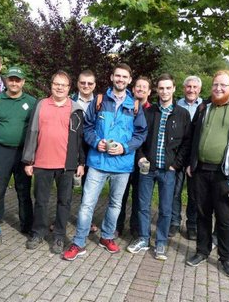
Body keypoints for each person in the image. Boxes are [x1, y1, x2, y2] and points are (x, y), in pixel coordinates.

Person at [63, 63, 147, 260]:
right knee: (87, 204)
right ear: (111, 77)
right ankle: (79, 242)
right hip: (98, 162)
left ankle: (107, 237)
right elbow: (88, 127)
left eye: (124, 77)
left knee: (115, 205)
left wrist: (125, 148)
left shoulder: (134, 105)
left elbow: (141, 133)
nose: (120, 79)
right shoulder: (100, 100)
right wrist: (96, 142)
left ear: (129, 80)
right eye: (117, 76)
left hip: (123, 164)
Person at [184, 70, 229, 278]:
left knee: (224, 219)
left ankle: (226, 259)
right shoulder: (204, 106)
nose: (218, 88)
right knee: (202, 214)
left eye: (223, 85)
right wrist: (191, 163)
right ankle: (202, 251)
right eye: (215, 84)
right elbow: (192, 137)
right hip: (201, 171)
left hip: (226, 174)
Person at [22, 71, 85, 253]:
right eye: (56, 84)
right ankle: (38, 232)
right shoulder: (41, 105)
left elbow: (79, 138)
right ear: (51, 85)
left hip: (66, 164)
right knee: (41, 201)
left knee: (64, 202)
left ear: (69, 88)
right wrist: (28, 160)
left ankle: (58, 237)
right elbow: (32, 132)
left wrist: (81, 162)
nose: (59, 87)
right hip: (41, 163)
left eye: (63, 85)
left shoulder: (76, 108)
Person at [130, 74, 190, 260]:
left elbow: (187, 143)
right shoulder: (149, 112)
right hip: (147, 168)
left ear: (173, 89)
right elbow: (138, 137)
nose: (164, 91)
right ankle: (144, 238)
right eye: (161, 88)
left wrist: (175, 165)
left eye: (168, 88)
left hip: (168, 170)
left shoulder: (182, 114)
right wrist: (140, 157)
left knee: (166, 208)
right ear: (157, 90)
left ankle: (161, 243)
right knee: (142, 205)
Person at [0, 66, 37, 237]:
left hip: (23, 152)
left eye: (18, 80)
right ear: (6, 81)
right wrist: (5, 137)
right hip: (1, 151)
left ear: (23, 82)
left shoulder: (32, 102)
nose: (14, 83)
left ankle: (27, 225)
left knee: (24, 189)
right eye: (11, 79)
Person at [116, 75, 152, 238]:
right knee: (120, 196)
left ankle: (136, 228)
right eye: (138, 86)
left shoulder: (153, 111)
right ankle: (117, 226)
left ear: (149, 91)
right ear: (133, 88)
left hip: (142, 161)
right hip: (124, 158)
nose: (141, 89)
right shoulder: (126, 106)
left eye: (144, 87)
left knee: (139, 197)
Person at [173, 75, 204, 239]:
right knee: (175, 192)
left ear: (199, 90)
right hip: (179, 156)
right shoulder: (176, 105)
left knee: (194, 195)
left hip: (196, 158)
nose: (191, 90)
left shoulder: (206, 107)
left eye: (194, 87)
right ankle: (174, 222)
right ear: (183, 88)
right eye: (188, 87)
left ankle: (191, 225)